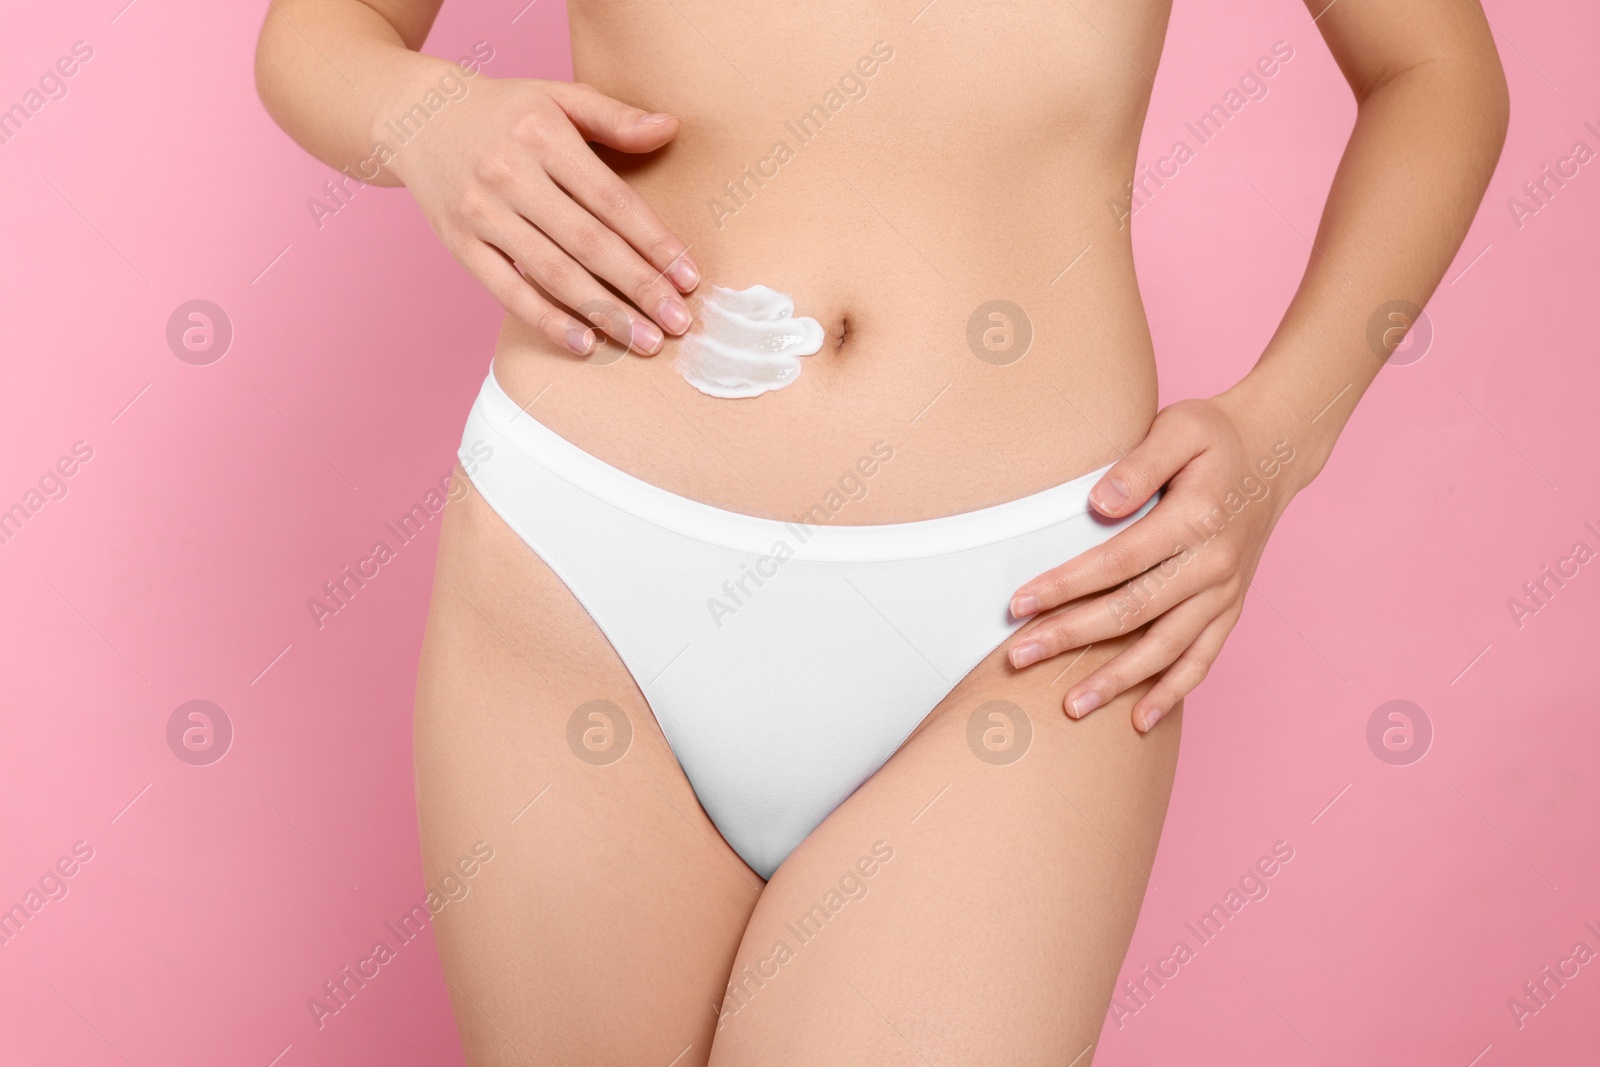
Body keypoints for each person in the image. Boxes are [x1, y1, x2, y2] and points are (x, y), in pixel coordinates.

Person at [255, 1, 1507, 1062]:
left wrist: (1280, 435)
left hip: (1032, 614)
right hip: (580, 573)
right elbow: (319, 36)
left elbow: (1437, 73)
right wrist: (425, 118)